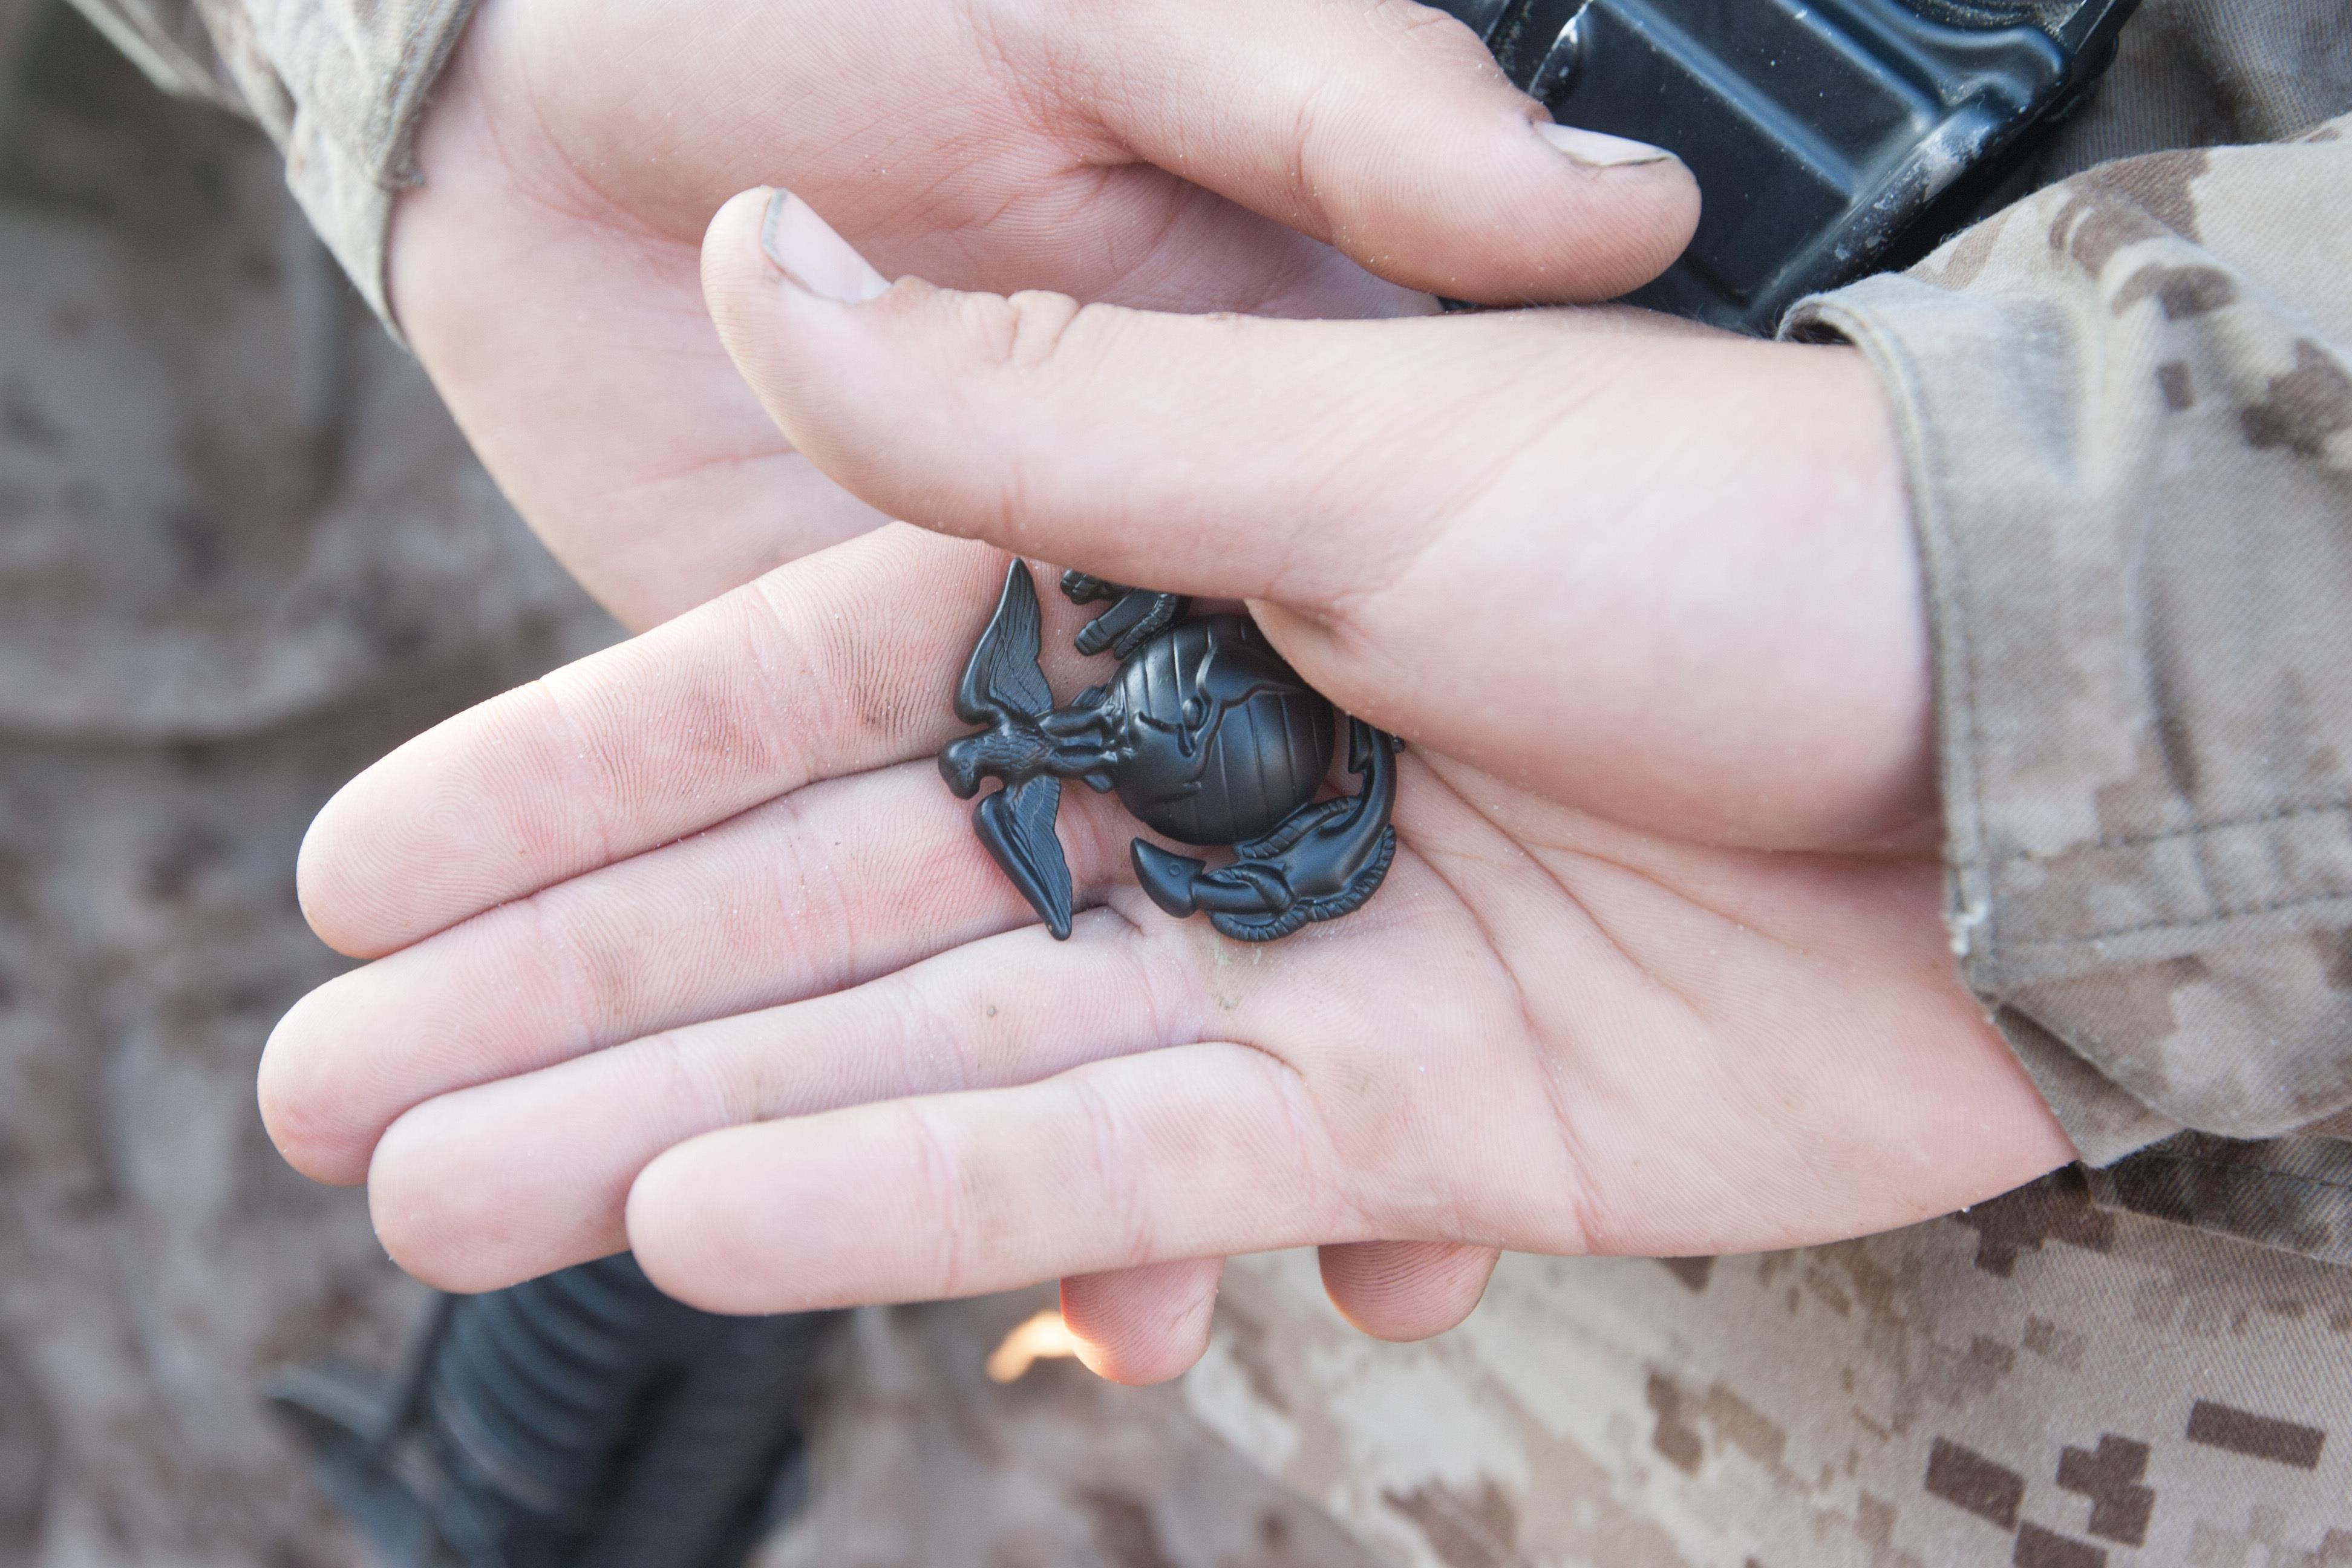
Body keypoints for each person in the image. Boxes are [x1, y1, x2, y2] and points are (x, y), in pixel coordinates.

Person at [80, 0, 2352, 1560]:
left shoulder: (1191, 762)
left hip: (1880, 1295)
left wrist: (2089, 588)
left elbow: (1186, 786)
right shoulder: (1074, 691)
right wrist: (441, 55)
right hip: (570, 477)